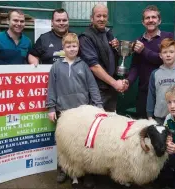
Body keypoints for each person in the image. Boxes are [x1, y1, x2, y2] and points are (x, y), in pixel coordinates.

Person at [46, 33, 103, 185]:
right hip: (63, 112)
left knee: (83, 143)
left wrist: (99, 106)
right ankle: (64, 169)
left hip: (82, 114)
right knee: (64, 143)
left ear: (79, 47)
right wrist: (51, 108)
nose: (72, 49)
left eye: (74, 46)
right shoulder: (56, 67)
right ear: (63, 48)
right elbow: (51, 88)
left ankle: (87, 171)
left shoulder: (84, 66)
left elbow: (92, 87)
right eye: (68, 46)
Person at [123, 5, 174, 119]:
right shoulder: (138, 41)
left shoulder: (168, 37)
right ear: (143, 22)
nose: (150, 20)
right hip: (144, 92)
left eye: (154, 17)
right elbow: (135, 66)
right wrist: (128, 81)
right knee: (144, 127)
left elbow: (165, 59)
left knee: (163, 128)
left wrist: (144, 50)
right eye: (147, 18)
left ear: (159, 20)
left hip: (164, 90)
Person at [79, 4, 124, 112]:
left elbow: (111, 59)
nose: (102, 19)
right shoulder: (85, 37)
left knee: (110, 124)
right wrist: (115, 83)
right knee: (95, 121)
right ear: (92, 18)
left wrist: (117, 48)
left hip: (111, 89)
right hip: (96, 91)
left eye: (104, 16)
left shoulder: (109, 34)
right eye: (98, 16)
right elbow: (94, 66)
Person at [146, 38, 175, 124]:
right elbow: (151, 95)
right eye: (165, 52)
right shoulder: (155, 74)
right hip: (159, 117)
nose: (168, 55)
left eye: (171, 52)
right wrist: (149, 115)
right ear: (160, 55)